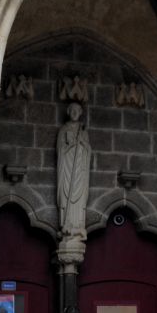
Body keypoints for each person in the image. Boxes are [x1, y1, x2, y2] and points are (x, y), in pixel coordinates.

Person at [57, 102, 91, 240]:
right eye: (73, 110)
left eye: (77, 110)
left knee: (80, 196)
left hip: (80, 169)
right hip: (67, 169)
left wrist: (82, 142)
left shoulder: (83, 131)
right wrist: (70, 145)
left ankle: (78, 225)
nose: (75, 112)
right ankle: (66, 224)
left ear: (80, 112)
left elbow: (88, 151)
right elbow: (59, 150)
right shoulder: (63, 130)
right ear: (69, 112)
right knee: (66, 196)